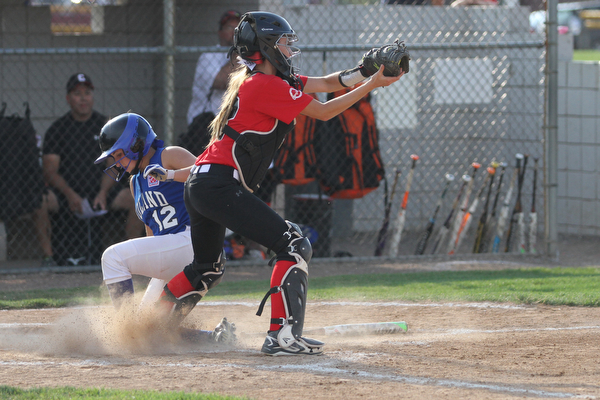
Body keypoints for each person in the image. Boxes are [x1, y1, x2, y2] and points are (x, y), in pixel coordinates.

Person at [144, 11, 404, 356]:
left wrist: (364, 71)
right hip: (219, 184)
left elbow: (327, 83)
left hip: (202, 185)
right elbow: (325, 112)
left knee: (206, 267)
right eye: (282, 42)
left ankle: (149, 329)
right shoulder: (267, 85)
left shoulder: (263, 81)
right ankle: (282, 336)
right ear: (265, 47)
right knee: (294, 244)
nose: (288, 48)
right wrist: (373, 85)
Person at [93, 112, 236, 344]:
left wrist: (169, 175)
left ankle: (123, 333)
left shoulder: (168, 155)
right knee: (148, 330)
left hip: (193, 242)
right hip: (173, 254)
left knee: (112, 257)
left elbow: (212, 175)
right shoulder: (134, 182)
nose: (116, 161)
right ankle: (216, 338)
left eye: (119, 154)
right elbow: (152, 234)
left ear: (136, 143)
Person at [42, 73, 143, 266]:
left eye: (87, 93)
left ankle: (133, 258)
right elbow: (50, 172)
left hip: (102, 192)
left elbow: (114, 163)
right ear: (68, 98)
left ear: (92, 96)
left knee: (135, 196)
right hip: (66, 194)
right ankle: (48, 258)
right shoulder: (58, 129)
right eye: (77, 93)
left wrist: (103, 192)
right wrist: (70, 194)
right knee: (41, 201)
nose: (82, 98)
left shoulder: (106, 126)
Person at [186, 10, 242, 132]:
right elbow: (220, 82)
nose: (234, 32)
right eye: (229, 28)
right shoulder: (208, 56)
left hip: (232, 125)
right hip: (205, 124)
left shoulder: (245, 56)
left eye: (238, 29)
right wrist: (237, 52)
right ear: (220, 33)